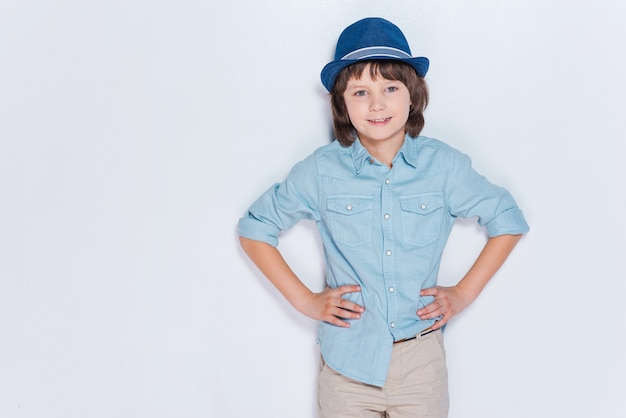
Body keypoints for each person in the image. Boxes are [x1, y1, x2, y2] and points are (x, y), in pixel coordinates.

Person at [238, 17, 529, 418]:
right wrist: (305, 300)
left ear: (412, 95)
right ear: (341, 103)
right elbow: (255, 229)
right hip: (348, 370)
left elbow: (508, 219)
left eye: (390, 88)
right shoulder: (322, 172)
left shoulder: (443, 167)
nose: (377, 104)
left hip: (421, 366)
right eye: (361, 91)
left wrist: (463, 294)